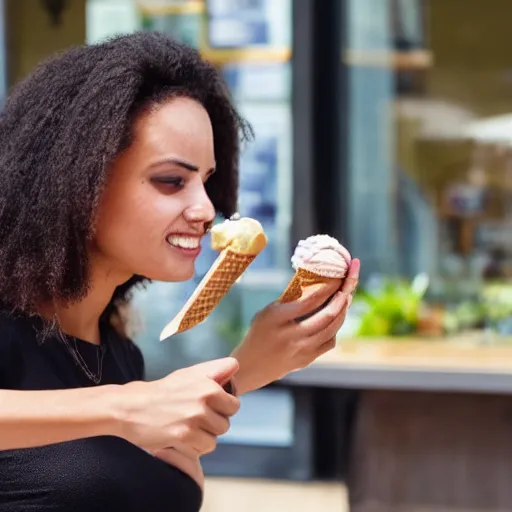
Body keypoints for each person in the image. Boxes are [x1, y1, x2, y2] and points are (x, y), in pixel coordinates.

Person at [0, 32, 360, 512]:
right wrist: (128, 407)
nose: (206, 209)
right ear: (76, 181)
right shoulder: (12, 333)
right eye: (171, 181)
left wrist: (246, 367)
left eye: (206, 181)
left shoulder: (118, 354)